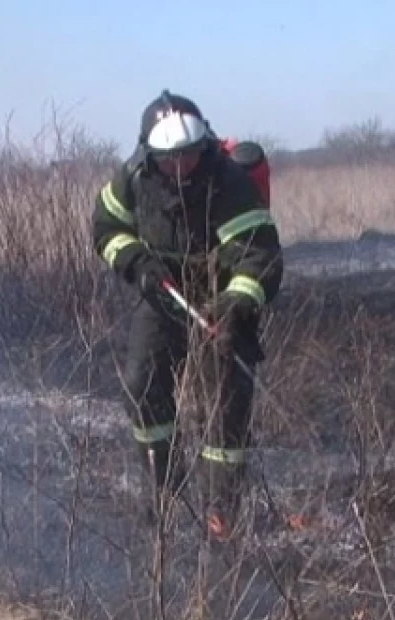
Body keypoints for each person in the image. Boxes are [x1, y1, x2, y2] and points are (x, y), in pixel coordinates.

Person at [91, 91, 284, 541]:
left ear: (204, 148)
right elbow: (105, 227)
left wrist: (235, 304)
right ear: (150, 153)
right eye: (169, 159)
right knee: (142, 382)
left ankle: (222, 512)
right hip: (162, 291)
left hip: (222, 297)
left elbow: (260, 255)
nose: (181, 168)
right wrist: (136, 262)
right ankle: (166, 492)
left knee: (225, 403)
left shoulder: (229, 181)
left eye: (189, 156)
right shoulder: (132, 179)